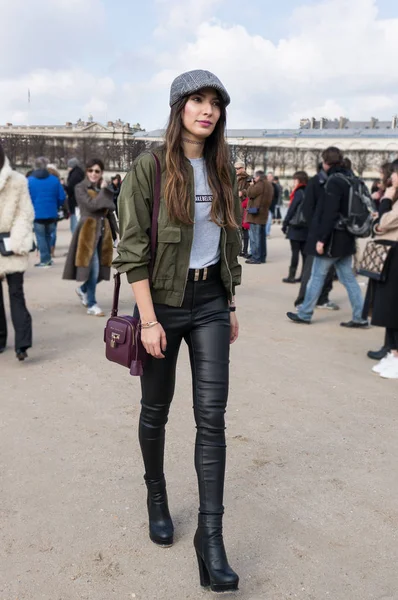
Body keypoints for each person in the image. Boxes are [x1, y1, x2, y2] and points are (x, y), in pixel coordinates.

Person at [113, 69, 241, 593]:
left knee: (212, 419)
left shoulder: (224, 168)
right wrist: (146, 319)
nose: (206, 110)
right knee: (156, 410)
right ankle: (157, 495)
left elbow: (230, 240)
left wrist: (230, 302)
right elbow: (132, 251)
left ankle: (211, 539)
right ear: (178, 108)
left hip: (210, 300)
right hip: (161, 305)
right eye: (196, 100)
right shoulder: (148, 168)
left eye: (214, 102)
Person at [287, 146, 368, 327]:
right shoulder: (351, 179)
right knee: (348, 279)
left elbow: (329, 213)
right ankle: (360, 316)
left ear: (325, 163)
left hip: (332, 239)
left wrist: (321, 239)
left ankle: (306, 313)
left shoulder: (333, 181)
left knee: (317, 276)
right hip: (347, 237)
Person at [63, 159, 117, 317]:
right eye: (91, 170)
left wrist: (104, 193)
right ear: (86, 171)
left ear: (101, 173)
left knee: (101, 269)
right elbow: (91, 206)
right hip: (87, 232)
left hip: (103, 232)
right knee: (92, 270)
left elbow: (112, 207)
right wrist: (104, 193)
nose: (94, 174)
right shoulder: (80, 187)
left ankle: (83, 289)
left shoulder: (103, 187)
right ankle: (92, 304)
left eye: (97, 171)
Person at [363, 160, 398, 378]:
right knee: (389, 307)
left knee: (392, 307)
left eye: (395, 174)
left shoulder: (391, 197)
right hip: (390, 253)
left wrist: (386, 198)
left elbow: (385, 220)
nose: (392, 178)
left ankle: (395, 355)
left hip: (395, 253)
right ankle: (393, 354)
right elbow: (380, 223)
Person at [0, 142, 34, 361]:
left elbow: (25, 213)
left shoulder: (18, 181)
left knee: (16, 293)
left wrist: (16, 240)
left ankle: (22, 343)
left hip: (11, 241)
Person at [294, 162, 340, 311]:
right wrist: (316, 228)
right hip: (318, 232)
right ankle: (302, 300)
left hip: (327, 232)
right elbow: (307, 209)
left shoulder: (332, 183)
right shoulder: (316, 183)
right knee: (311, 269)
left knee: (327, 270)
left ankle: (320, 298)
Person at [28, 157, 65, 267]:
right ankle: (48, 257)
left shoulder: (30, 180)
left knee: (40, 237)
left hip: (37, 213)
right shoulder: (54, 180)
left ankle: (45, 260)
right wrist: (56, 206)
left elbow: (26, 197)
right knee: (48, 236)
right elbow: (62, 197)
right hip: (52, 213)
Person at [282, 171, 309, 283]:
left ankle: (291, 276)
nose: (293, 182)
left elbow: (292, 209)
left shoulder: (298, 192)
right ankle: (304, 276)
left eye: (295, 179)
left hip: (296, 226)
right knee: (304, 254)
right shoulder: (309, 191)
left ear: (298, 180)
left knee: (295, 252)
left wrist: (285, 223)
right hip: (306, 226)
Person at [245, 170, 273, 264]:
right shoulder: (269, 185)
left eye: (254, 177)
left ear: (257, 177)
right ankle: (262, 257)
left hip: (255, 215)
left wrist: (251, 185)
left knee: (255, 238)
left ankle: (256, 257)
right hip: (263, 214)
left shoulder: (260, 184)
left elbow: (250, 194)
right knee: (261, 238)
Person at [235, 161, 251, 257]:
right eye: (235, 168)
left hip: (243, 206)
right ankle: (239, 249)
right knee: (237, 229)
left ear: (243, 168)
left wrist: (242, 192)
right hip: (235, 205)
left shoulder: (248, 178)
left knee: (244, 229)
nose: (236, 170)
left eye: (238, 168)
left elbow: (251, 190)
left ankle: (245, 250)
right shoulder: (233, 177)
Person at [66, 158, 85, 234]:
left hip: (75, 202)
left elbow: (71, 188)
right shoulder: (79, 173)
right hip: (78, 202)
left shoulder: (74, 175)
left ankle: (77, 243)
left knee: (74, 226)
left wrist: (65, 187)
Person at [266, 171, 278, 236]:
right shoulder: (264, 185)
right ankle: (265, 232)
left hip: (271, 206)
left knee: (269, 221)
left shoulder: (274, 186)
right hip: (264, 206)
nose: (269, 177)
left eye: (270, 176)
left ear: (272, 177)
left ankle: (267, 233)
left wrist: (274, 203)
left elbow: (277, 195)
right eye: (268, 176)